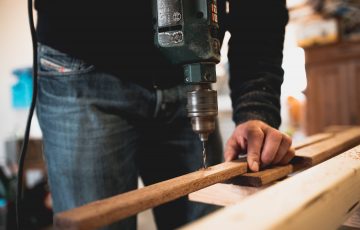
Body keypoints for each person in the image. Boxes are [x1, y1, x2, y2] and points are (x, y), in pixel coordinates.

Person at [34, 0, 294, 229]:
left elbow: (262, 10)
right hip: (81, 65)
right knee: (96, 221)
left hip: (184, 73)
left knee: (210, 221)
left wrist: (255, 107)